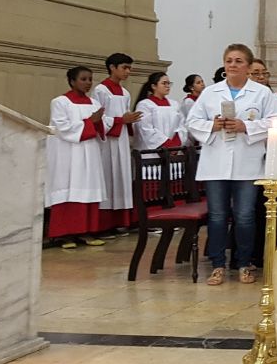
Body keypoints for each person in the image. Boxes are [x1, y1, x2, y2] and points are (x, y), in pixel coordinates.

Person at [185, 43, 277, 286]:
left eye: (238, 61)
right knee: (217, 215)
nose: (233, 65)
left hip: (247, 161)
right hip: (216, 161)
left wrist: (246, 126)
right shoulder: (211, 93)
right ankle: (217, 265)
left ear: (248, 66)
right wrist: (212, 125)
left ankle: (244, 263)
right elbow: (192, 121)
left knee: (245, 215)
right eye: (229, 60)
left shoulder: (262, 93)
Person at [46, 66, 106, 248]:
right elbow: (62, 128)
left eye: (90, 79)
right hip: (69, 154)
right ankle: (65, 234)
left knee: (88, 188)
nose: (88, 83)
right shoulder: (60, 102)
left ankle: (86, 231)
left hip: (90, 152)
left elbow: (102, 127)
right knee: (69, 188)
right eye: (83, 79)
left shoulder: (94, 104)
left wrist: (101, 122)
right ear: (72, 81)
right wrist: (91, 122)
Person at [92, 52, 140, 231]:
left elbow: (124, 115)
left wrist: (130, 120)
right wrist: (122, 120)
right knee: (108, 177)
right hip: (106, 142)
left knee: (122, 177)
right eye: (124, 68)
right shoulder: (100, 90)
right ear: (112, 67)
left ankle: (122, 221)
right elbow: (98, 119)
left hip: (121, 140)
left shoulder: (125, 92)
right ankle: (105, 223)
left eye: (129, 68)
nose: (128, 72)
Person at [133, 72, 184, 150]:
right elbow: (146, 129)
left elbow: (181, 125)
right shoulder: (145, 105)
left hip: (174, 149)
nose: (168, 86)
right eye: (164, 83)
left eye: (169, 83)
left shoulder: (175, 104)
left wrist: (176, 143)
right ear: (154, 86)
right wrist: (167, 144)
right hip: (153, 152)